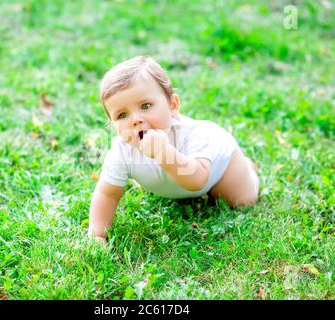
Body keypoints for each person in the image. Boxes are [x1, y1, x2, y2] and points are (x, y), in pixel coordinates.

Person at [89, 56, 259, 245]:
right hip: (177, 182)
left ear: (173, 105)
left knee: (242, 202)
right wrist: (97, 234)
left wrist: (163, 154)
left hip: (220, 167)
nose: (135, 119)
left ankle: (247, 167)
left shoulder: (193, 134)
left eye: (145, 106)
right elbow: (107, 193)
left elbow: (197, 180)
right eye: (122, 115)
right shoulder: (122, 150)